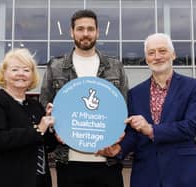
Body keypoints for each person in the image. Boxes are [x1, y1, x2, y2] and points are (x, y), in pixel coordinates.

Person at [97, 33, 196, 187]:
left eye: (162, 51)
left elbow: (191, 126)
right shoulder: (135, 93)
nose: (157, 56)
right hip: (146, 175)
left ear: (173, 55)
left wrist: (150, 129)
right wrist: (119, 149)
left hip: (183, 173)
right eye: (151, 53)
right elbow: (133, 134)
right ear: (146, 58)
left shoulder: (193, 87)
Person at [40, 9, 128, 187]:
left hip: (107, 161)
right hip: (69, 162)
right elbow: (45, 105)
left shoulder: (115, 66)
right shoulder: (55, 66)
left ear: (97, 32)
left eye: (90, 29)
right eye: (80, 29)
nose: (85, 34)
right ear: (72, 32)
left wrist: (120, 135)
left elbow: (124, 107)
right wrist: (54, 130)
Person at [0, 48, 57, 187]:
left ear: (32, 76)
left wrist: (50, 126)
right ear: (4, 74)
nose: (21, 74)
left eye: (26, 70)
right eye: (15, 69)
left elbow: (48, 146)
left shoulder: (35, 106)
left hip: (37, 181)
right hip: (3, 180)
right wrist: (38, 129)